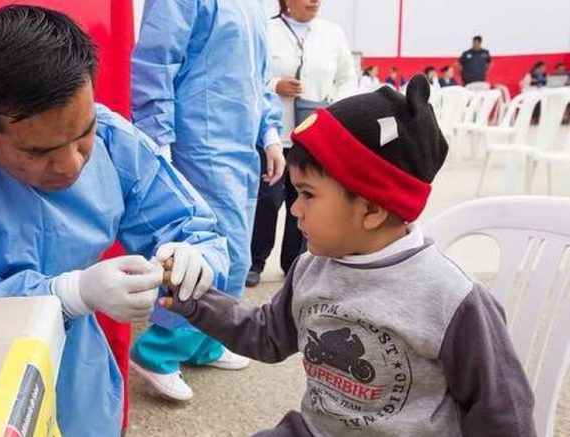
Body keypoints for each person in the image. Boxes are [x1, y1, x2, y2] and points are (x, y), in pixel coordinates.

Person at [0, 6, 229, 436]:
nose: (71, 164)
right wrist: (67, 294)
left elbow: (191, 224)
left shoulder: (112, 137)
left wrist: (193, 255)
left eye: (83, 134)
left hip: (73, 362)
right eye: (38, 152)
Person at [159, 75, 537, 437]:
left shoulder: (452, 297)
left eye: (307, 194)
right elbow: (266, 333)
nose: (294, 210)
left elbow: (502, 409)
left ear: (371, 210)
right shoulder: (311, 268)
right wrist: (195, 299)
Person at [129, 0, 285, 401]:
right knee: (202, 247)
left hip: (240, 142)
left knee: (235, 250)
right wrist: (156, 136)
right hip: (200, 138)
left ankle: (206, 341)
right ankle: (159, 349)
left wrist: (269, 132)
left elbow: (260, 76)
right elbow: (156, 61)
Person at [248, 0, 356, 286]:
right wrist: (275, 86)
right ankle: (255, 261)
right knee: (267, 201)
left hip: (314, 136)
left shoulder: (332, 33)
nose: (314, 1)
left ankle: (294, 264)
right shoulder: (266, 29)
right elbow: (249, 76)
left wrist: (333, 105)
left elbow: (347, 78)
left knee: (305, 199)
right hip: (272, 134)